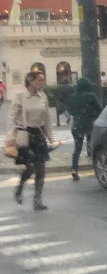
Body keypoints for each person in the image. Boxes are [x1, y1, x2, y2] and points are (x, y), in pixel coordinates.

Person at [5, 70, 55, 210]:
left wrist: (50, 135)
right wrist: (10, 136)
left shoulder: (43, 96)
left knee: (41, 169)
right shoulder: (21, 96)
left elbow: (47, 118)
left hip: (38, 134)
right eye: (39, 80)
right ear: (31, 81)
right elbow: (12, 117)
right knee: (30, 167)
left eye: (43, 80)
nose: (42, 83)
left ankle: (37, 199)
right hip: (25, 134)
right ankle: (19, 188)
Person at [67, 76, 102, 181]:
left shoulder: (73, 96)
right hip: (90, 125)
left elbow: (71, 111)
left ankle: (74, 168)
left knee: (77, 148)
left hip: (76, 125)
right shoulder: (91, 95)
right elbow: (99, 109)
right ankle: (96, 168)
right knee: (93, 146)